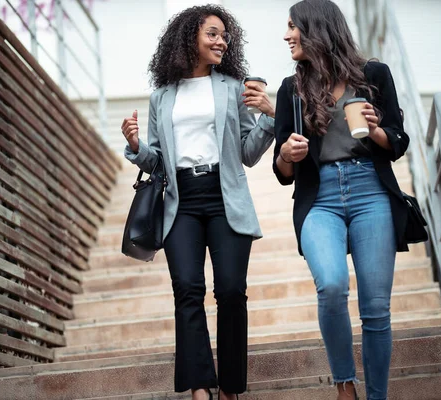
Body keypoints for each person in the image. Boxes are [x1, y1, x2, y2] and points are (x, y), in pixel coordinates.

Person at [121, 5, 275, 400]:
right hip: (180, 202)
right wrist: (136, 147)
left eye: (225, 35)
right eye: (212, 34)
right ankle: (199, 386)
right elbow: (156, 160)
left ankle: (231, 388)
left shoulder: (231, 88)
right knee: (187, 288)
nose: (221, 40)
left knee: (229, 290)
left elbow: (248, 152)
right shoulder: (162, 97)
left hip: (225, 198)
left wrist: (271, 119)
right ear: (190, 37)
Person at [272, 1, 410, 399]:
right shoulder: (291, 90)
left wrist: (376, 129)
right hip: (321, 198)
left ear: (317, 29)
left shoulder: (374, 75)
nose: (286, 36)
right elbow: (282, 174)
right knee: (331, 285)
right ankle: (345, 385)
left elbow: (398, 141)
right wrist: (286, 156)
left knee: (375, 308)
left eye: (292, 27)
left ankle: (377, 395)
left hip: (370, 191)